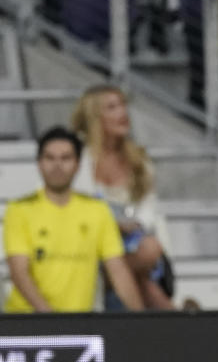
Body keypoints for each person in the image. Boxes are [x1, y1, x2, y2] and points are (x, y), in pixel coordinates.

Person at [4, 127, 145, 314]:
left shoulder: (97, 210)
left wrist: (141, 320)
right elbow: (19, 272)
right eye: (50, 158)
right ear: (39, 163)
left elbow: (117, 269)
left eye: (65, 158)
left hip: (78, 322)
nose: (57, 166)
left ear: (78, 164)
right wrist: (50, 318)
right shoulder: (20, 210)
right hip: (29, 323)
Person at [71, 85, 175, 310]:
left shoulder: (140, 161)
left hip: (132, 243)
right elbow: (76, 211)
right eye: (112, 107)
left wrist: (131, 226)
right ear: (94, 116)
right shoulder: (79, 161)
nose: (123, 113)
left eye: (123, 106)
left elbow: (148, 212)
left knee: (148, 249)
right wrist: (112, 226)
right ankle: (175, 320)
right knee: (142, 278)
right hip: (91, 247)